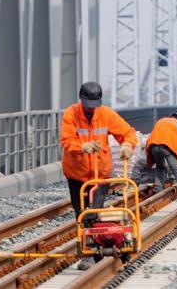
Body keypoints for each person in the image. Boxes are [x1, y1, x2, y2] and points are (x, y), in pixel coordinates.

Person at [60, 82, 137, 270]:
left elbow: (127, 133)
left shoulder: (106, 114)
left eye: (94, 105)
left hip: (100, 174)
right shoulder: (70, 114)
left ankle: (91, 253)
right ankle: (88, 250)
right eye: (88, 105)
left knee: (94, 214)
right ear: (81, 100)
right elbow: (66, 140)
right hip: (76, 174)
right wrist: (82, 147)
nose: (91, 109)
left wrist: (127, 145)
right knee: (81, 214)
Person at [145, 113, 177, 197]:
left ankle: (158, 190)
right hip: (167, 146)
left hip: (153, 145)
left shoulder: (161, 120)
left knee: (160, 167)